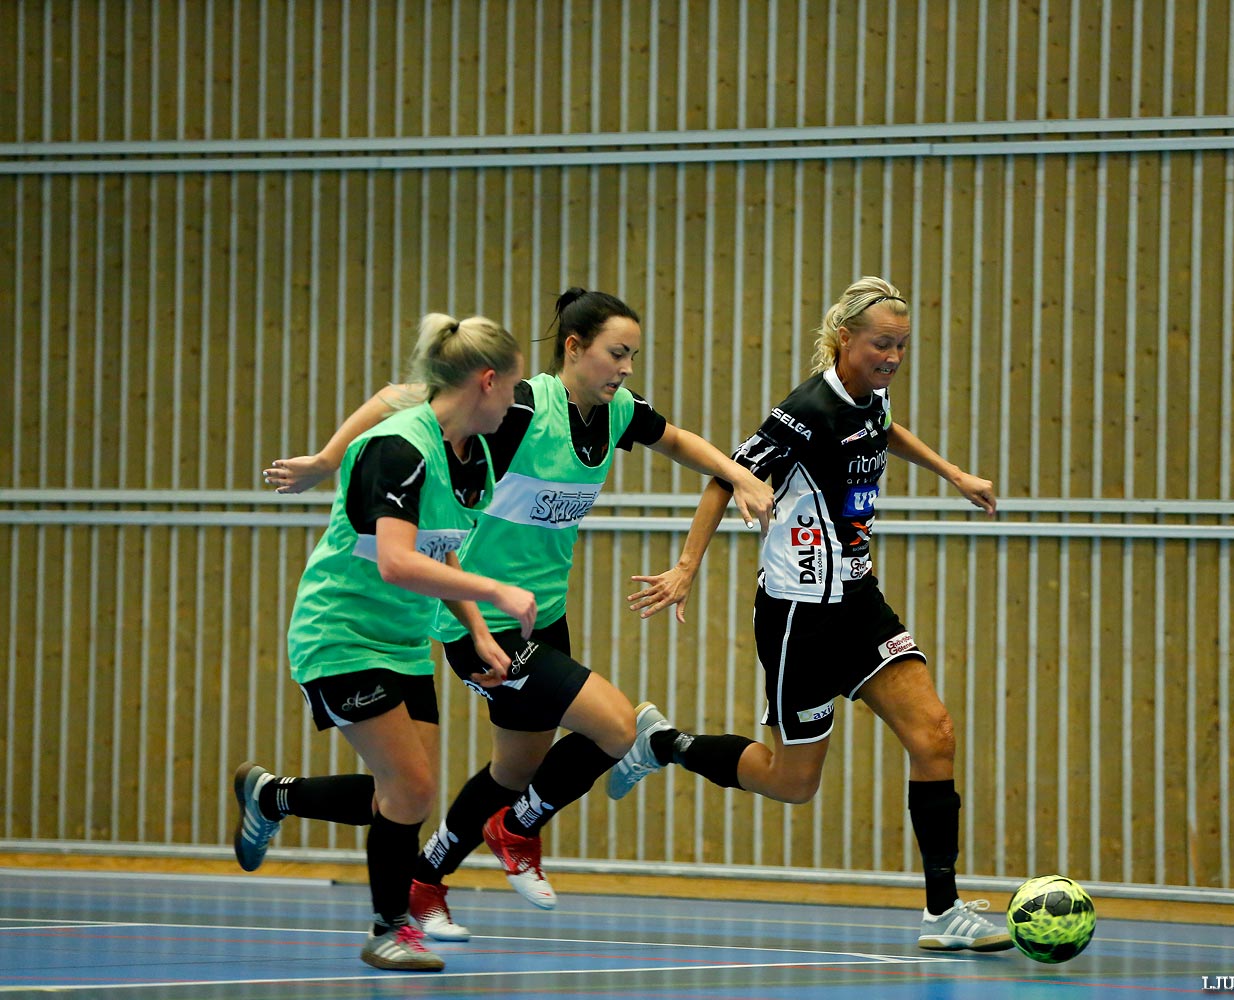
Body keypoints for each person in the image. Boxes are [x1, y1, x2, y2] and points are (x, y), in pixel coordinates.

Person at [263, 288, 775, 941]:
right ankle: (516, 830)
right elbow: (402, 395)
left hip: (542, 614)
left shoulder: (617, 414)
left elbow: (678, 441)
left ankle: (427, 882)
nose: (625, 368)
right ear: (573, 347)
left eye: (634, 357)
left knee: (512, 770)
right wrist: (329, 459)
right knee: (618, 730)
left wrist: (741, 475)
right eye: (615, 353)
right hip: (474, 616)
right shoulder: (522, 403)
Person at [609, 276, 1012, 952]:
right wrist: (686, 567)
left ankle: (942, 912)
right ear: (844, 338)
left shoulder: (870, 395)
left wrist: (954, 474)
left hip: (859, 601)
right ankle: (661, 744)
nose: (892, 356)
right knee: (792, 783)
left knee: (934, 733)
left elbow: (884, 428)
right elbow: (724, 476)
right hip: (799, 617)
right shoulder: (804, 411)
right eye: (881, 343)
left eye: (903, 346)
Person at [233, 314, 536, 972]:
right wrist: (499, 595)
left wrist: (479, 632)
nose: (513, 404)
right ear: (486, 382)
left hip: (401, 640)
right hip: (340, 632)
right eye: (511, 390)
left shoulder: (473, 457)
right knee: (412, 787)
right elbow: (398, 561)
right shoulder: (398, 447)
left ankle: (270, 797)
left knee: (407, 795)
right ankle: (388, 927)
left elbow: (442, 553)